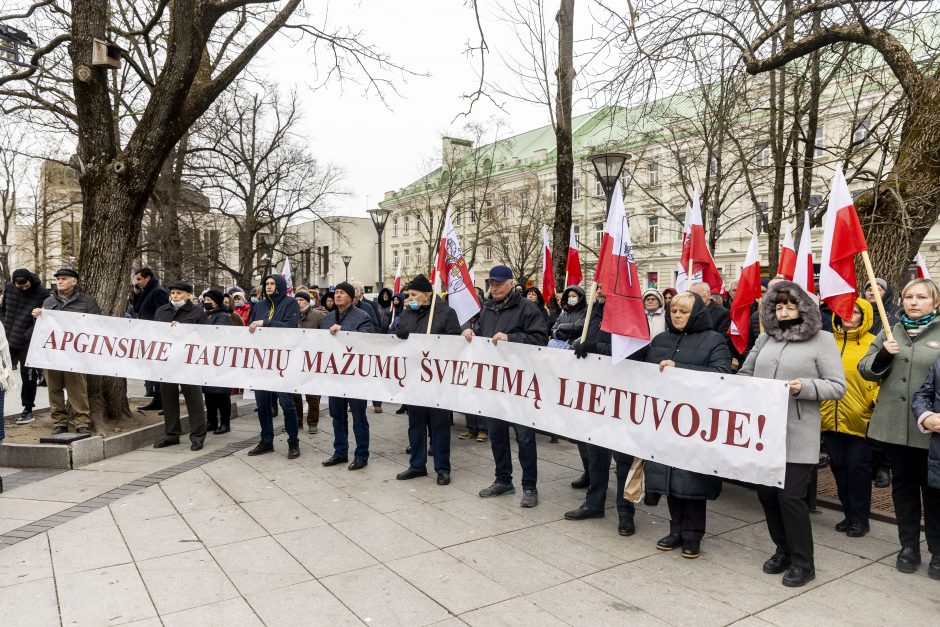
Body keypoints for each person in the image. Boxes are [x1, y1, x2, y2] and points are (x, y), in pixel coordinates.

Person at [739, 281, 845, 587]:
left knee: (790, 497)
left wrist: (804, 387)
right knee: (767, 494)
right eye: (779, 306)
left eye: (790, 305)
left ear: (804, 307)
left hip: (797, 432)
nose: (784, 312)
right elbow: (745, 374)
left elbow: (837, 386)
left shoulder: (822, 340)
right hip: (761, 432)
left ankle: (803, 562)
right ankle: (782, 549)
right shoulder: (765, 338)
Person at [637, 292, 731, 558]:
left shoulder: (714, 340)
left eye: (684, 311)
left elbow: (722, 374)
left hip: (695, 423)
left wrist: (680, 368)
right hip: (663, 420)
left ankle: (692, 535)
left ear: (697, 314)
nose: (677, 315)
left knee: (691, 481)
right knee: (668, 479)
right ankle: (676, 529)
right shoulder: (660, 339)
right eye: (674, 310)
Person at [859, 278, 940, 579]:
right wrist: (883, 355)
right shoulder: (890, 331)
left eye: (921, 297)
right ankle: (908, 547)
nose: (913, 302)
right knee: (903, 488)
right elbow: (866, 369)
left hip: (931, 429)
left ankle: (938, 551)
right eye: (908, 297)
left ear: (935, 302)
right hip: (894, 425)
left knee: (935, 492)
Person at [463, 265, 547, 508]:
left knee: (524, 438)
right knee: (497, 435)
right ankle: (503, 480)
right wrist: (470, 333)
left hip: (519, 384)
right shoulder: (487, 308)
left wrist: (511, 339)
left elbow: (540, 339)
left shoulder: (527, 308)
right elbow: (481, 334)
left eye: (499, 283)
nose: (495, 287)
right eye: (492, 283)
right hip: (493, 383)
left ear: (511, 284)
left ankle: (529, 487)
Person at [569, 285, 637, 536]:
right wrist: (580, 344)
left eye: (606, 287)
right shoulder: (593, 312)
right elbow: (585, 341)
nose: (600, 291)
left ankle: (625, 512)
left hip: (621, 396)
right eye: (599, 288)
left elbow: (635, 353)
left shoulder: (630, 315)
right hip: (595, 395)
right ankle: (594, 503)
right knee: (595, 452)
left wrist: (595, 348)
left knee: (622, 459)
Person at [394, 274, 462, 485]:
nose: (410, 297)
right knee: (415, 423)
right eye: (409, 295)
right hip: (415, 376)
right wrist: (407, 312)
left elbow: (455, 342)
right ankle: (417, 465)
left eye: (414, 294)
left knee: (439, 424)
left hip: (437, 378)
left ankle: (442, 468)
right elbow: (401, 333)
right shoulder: (410, 311)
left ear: (427, 295)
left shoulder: (445, 313)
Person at [821, 298, 878, 537]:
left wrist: (872, 403)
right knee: (839, 468)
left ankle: (860, 518)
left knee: (858, 470)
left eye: (855, 312)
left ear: (864, 316)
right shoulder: (826, 343)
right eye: (845, 310)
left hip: (859, 419)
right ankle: (848, 514)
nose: (848, 315)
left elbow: (879, 378)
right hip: (830, 417)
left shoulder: (873, 343)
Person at [33, 269, 101, 436]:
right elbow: (43, 328)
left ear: (74, 282)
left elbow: (97, 324)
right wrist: (37, 316)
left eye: (64, 279)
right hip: (52, 353)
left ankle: (82, 422)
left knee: (77, 389)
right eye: (58, 279)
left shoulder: (86, 302)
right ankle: (60, 422)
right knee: (53, 389)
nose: (60, 281)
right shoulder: (48, 301)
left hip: (75, 354)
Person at [246, 274, 302, 459]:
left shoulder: (290, 303)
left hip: (282, 361)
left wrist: (266, 323)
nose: (269, 286)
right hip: (262, 361)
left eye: (272, 283)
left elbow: (291, 327)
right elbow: (250, 328)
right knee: (262, 404)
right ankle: (266, 440)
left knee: (286, 403)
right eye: (266, 284)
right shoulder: (259, 305)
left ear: (279, 285)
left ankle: (293, 441)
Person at [321, 281, 375, 469]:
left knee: (359, 417)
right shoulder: (327, 319)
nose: (337, 295)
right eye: (336, 292)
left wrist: (343, 331)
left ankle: (361, 455)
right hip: (335, 375)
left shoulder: (363, 316)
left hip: (355, 377)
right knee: (338, 416)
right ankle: (340, 452)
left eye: (342, 293)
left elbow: (366, 339)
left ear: (351, 297)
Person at [151, 281, 209, 450]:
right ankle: (171, 434)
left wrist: (184, 330)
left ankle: (198, 436)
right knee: (168, 399)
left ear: (188, 295)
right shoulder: (162, 311)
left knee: (194, 400)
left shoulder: (197, 312)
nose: (175, 296)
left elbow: (205, 336)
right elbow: (153, 332)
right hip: (167, 361)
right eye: (173, 293)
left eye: (179, 293)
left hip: (188, 362)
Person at [863, 277, 901, 488]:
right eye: (869, 288)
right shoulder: (858, 310)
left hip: (884, 369)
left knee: (881, 418)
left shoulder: (894, 314)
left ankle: (883, 467)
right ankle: (868, 462)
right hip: (864, 368)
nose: (873, 292)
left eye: (878, 289)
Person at [1, 268, 49, 425]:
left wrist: (27, 335)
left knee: (28, 375)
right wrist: (3, 325)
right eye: (18, 285)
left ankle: (27, 409)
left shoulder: (42, 293)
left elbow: (44, 319)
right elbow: (3, 309)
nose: (22, 287)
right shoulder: (9, 288)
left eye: (25, 285)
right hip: (6, 338)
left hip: (27, 341)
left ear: (30, 280)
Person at [201, 290, 233, 434]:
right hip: (208, 360)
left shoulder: (223, 316)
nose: (206, 301)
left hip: (219, 361)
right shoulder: (208, 315)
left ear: (217, 301)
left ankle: (225, 423)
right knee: (209, 393)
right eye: (205, 299)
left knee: (221, 394)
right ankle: (211, 421)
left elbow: (220, 336)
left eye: (209, 299)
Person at [293, 290, 324, 434]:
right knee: (295, 392)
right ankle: (297, 419)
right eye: (296, 300)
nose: (298, 302)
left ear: (307, 301)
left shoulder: (318, 316)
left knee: (312, 392)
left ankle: (312, 422)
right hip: (295, 357)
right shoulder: (292, 315)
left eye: (301, 300)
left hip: (312, 358)